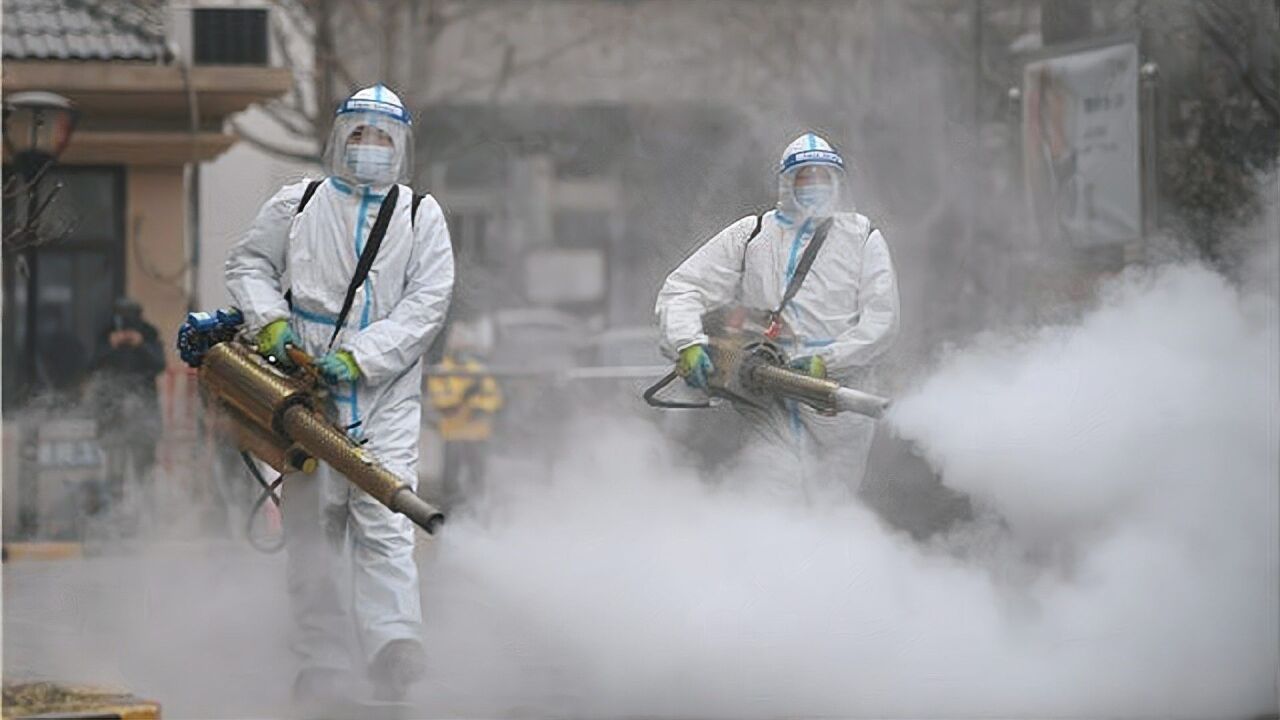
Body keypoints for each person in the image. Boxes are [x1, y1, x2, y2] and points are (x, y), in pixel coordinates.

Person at [224, 84, 454, 704]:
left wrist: (361, 357)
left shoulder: (418, 215)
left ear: (400, 146)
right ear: (338, 139)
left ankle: (393, 646)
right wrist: (271, 321)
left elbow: (428, 303)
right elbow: (249, 267)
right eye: (359, 135)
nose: (370, 148)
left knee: (383, 516)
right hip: (302, 393)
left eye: (383, 139)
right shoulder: (297, 203)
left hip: (384, 396)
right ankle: (321, 655)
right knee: (313, 529)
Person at [655, 132, 900, 499]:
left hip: (835, 403)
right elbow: (684, 288)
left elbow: (882, 323)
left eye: (823, 177)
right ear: (787, 183)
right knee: (770, 495)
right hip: (765, 394)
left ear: (837, 181)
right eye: (805, 177)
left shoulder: (862, 237)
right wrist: (688, 342)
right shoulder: (753, 234)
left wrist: (828, 362)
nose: (814, 186)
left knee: (833, 508)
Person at [86, 298, 165, 514]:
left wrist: (141, 345)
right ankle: (115, 514)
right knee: (115, 471)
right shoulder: (106, 336)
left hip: (144, 416)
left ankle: (147, 515)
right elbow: (92, 365)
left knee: (144, 471)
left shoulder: (148, 335)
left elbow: (159, 365)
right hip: (113, 416)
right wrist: (111, 345)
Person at [427, 330, 502, 511]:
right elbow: (441, 402)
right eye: (458, 345)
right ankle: (449, 513)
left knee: (478, 478)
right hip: (453, 433)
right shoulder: (441, 371)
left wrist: (481, 407)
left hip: (478, 433)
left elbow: (493, 396)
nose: (463, 349)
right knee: (451, 480)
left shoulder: (478, 370)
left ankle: (477, 512)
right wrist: (465, 397)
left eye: (465, 345)